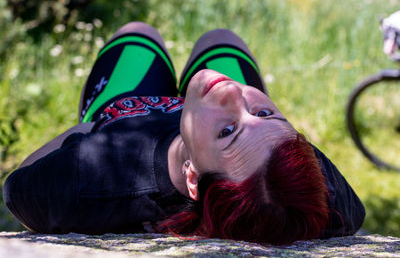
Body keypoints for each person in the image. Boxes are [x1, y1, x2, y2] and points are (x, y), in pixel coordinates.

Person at [3, 22, 365, 245]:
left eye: (228, 131)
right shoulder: (301, 191)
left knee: (138, 33)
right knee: (221, 37)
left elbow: (18, 188)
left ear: (193, 177)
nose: (233, 92)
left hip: (127, 111)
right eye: (265, 112)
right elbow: (349, 214)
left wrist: (86, 130)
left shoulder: (92, 180)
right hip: (196, 119)